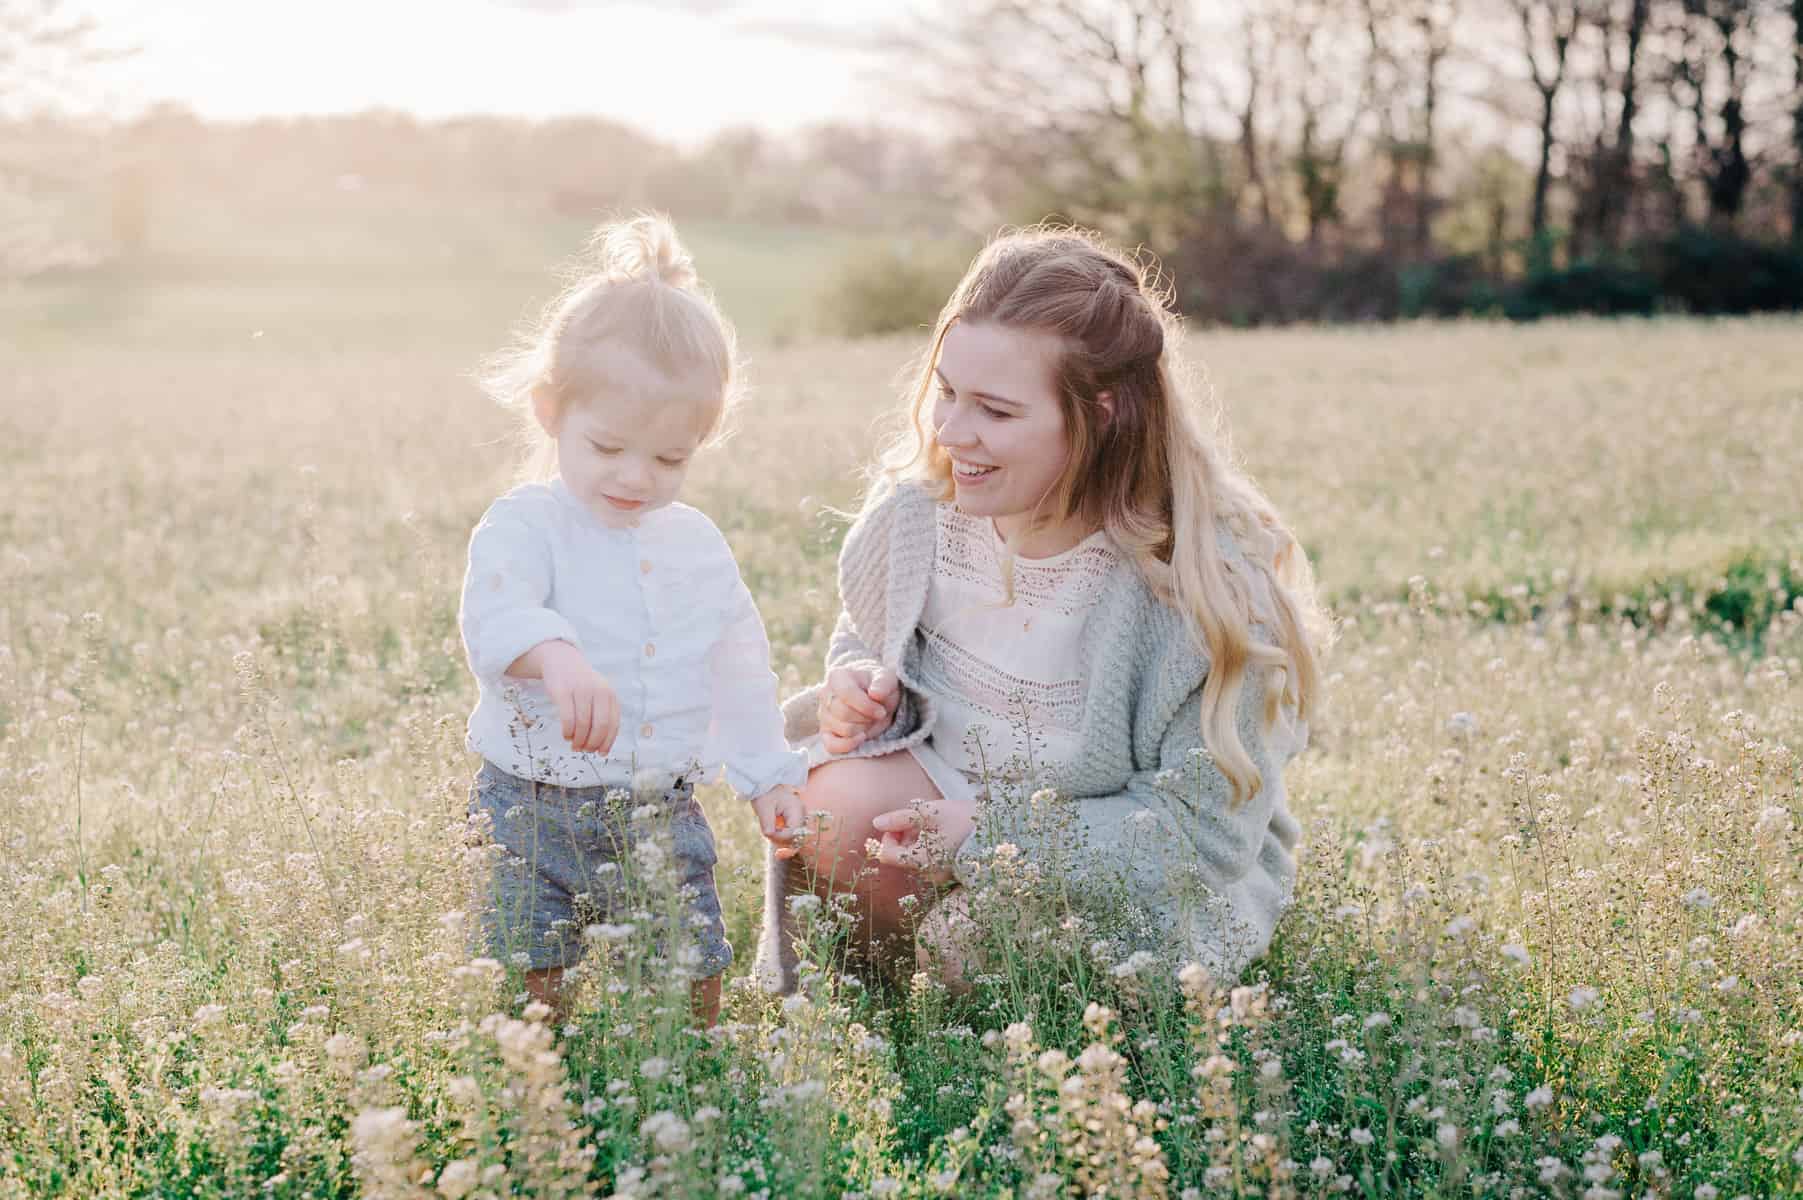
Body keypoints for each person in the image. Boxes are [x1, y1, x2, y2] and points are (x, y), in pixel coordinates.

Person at [761, 225, 1329, 992]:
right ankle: (887, 998)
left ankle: (973, 994)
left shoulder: (1195, 591)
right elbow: (867, 628)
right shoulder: (924, 514)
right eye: (947, 392)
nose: (953, 432)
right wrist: (857, 684)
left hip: (1113, 863)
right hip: (951, 803)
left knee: (974, 949)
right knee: (828, 807)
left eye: (994, 411)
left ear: (1100, 416)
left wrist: (997, 842)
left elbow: (1201, 835)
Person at [460, 214, 806, 1025]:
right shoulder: (526, 522)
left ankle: (693, 1072)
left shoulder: (695, 544)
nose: (635, 477)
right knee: (528, 969)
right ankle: (536, 1089)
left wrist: (765, 773)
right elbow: (498, 615)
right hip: (529, 803)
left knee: (692, 962)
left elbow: (738, 664)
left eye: (669, 459)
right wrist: (558, 657)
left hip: (659, 802)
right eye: (608, 446)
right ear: (550, 410)